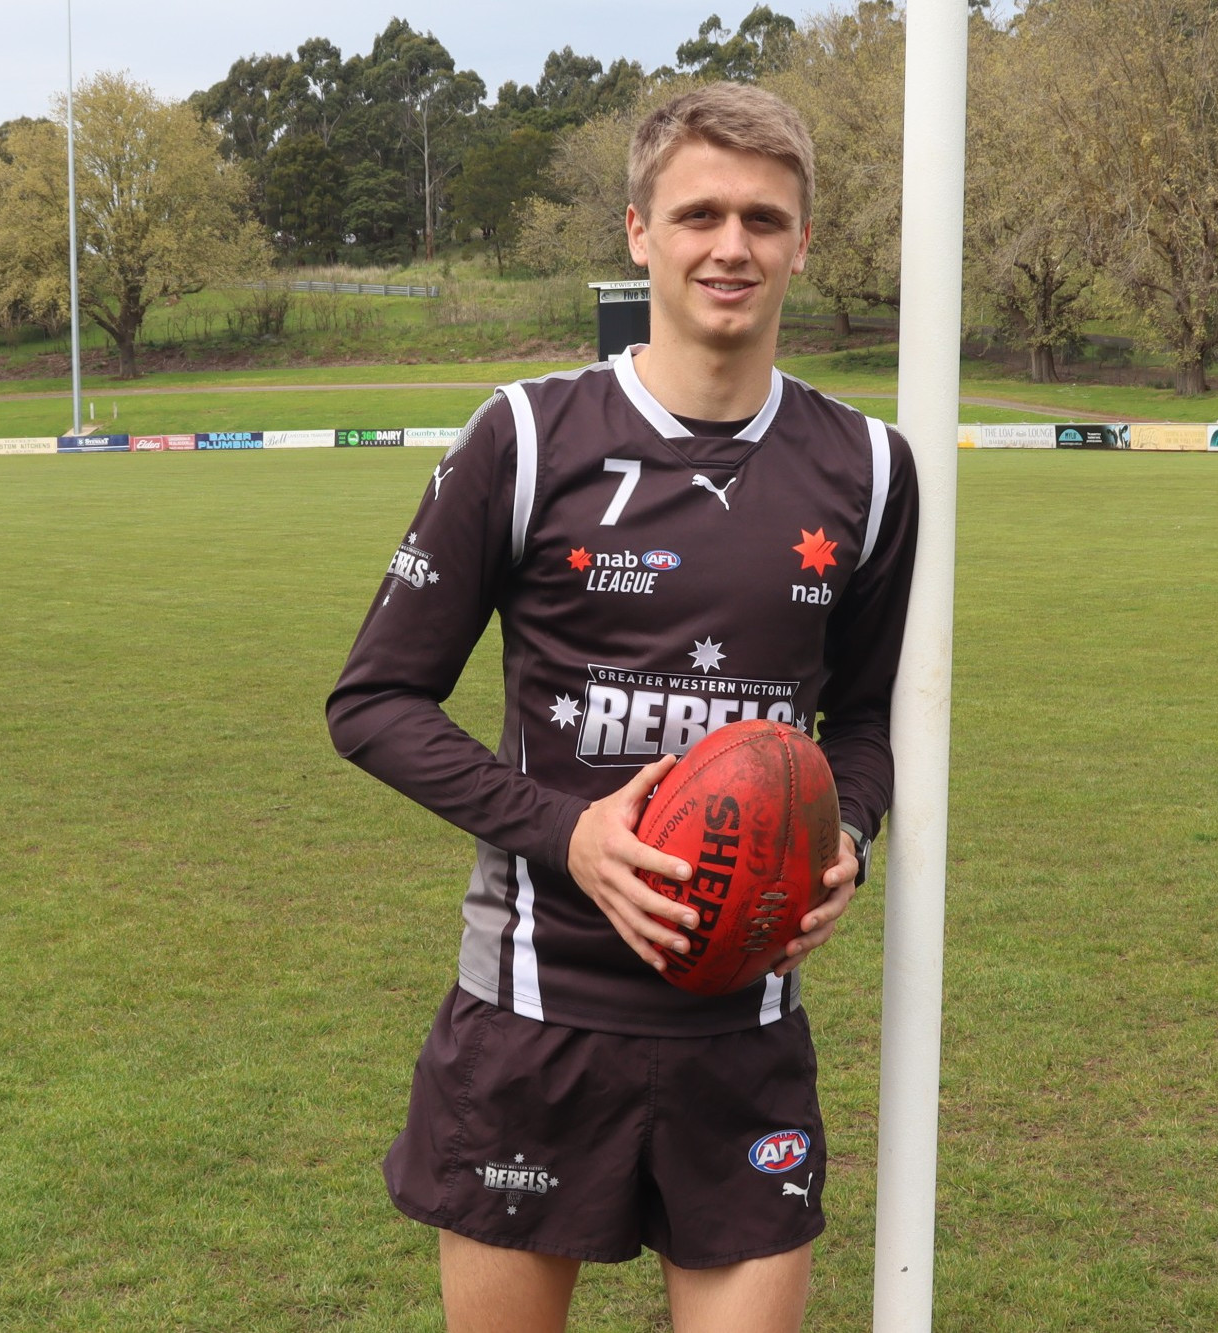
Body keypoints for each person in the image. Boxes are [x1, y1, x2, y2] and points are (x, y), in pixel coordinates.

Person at [326, 81, 919, 1333]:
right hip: (536, 1019)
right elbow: (374, 700)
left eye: (764, 217)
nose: (731, 245)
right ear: (639, 230)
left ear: (802, 240)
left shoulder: (866, 467)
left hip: (744, 1032)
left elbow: (861, 721)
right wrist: (567, 833)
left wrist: (847, 837)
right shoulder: (529, 438)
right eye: (698, 212)